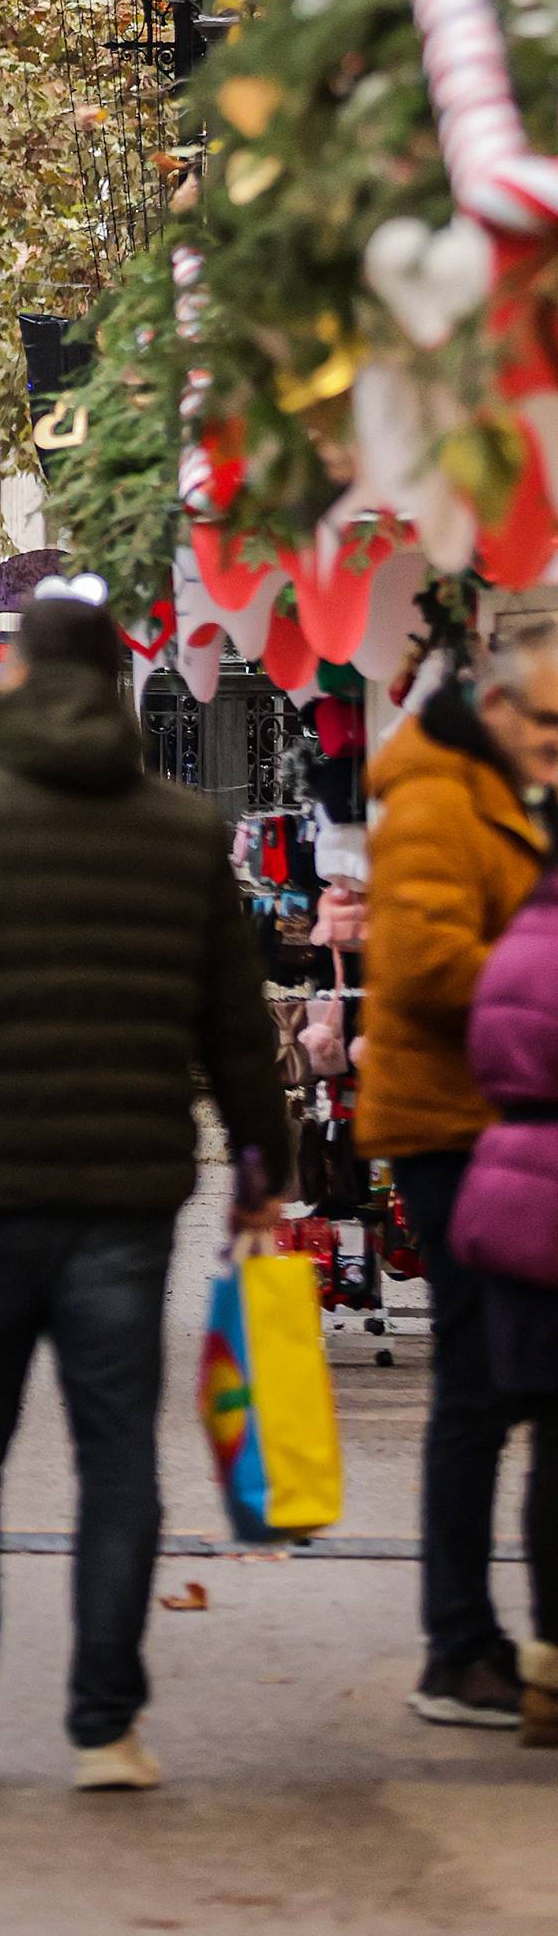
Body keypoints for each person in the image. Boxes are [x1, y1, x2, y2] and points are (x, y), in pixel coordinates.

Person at [0, 587, 289, 1794]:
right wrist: (262, 1169)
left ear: (22, 677)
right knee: (118, 1454)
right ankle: (105, 1725)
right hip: (127, 1205)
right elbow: (236, 1031)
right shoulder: (185, 834)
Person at [356, 616, 558, 1728]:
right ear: (496, 709)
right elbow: (427, 961)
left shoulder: (509, 794)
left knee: (520, 1387)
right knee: (478, 1387)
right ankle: (459, 1644)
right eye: (546, 723)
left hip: (518, 1125)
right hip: (452, 1127)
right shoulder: (438, 795)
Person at [449, 861, 558, 1746]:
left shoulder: (519, 940)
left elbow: (490, 1055)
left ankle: (550, 1672)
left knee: (551, 1445)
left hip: (522, 1204)